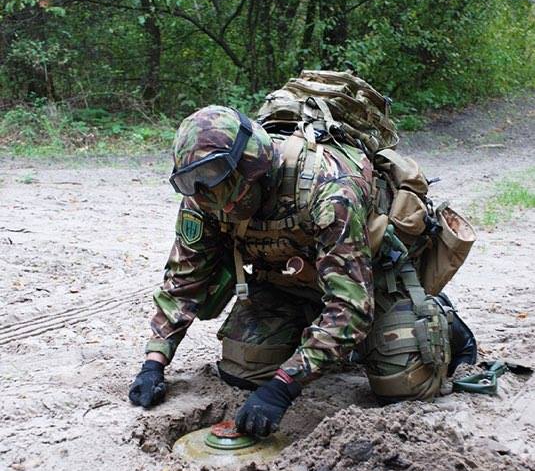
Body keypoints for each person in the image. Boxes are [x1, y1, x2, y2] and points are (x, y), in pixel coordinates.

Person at [128, 102, 476, 437]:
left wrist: (284, 386)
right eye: (197, 185)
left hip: (370, 281)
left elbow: (350, 307)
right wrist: (155, 361)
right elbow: (185, 280)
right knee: (244, 367)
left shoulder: (329, 189)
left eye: (220, 180)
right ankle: (324, 337)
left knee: (402, 382)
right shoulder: (205, 198)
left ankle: (443, 319)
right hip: (286, 282)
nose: (217, 201)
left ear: (252, 163)